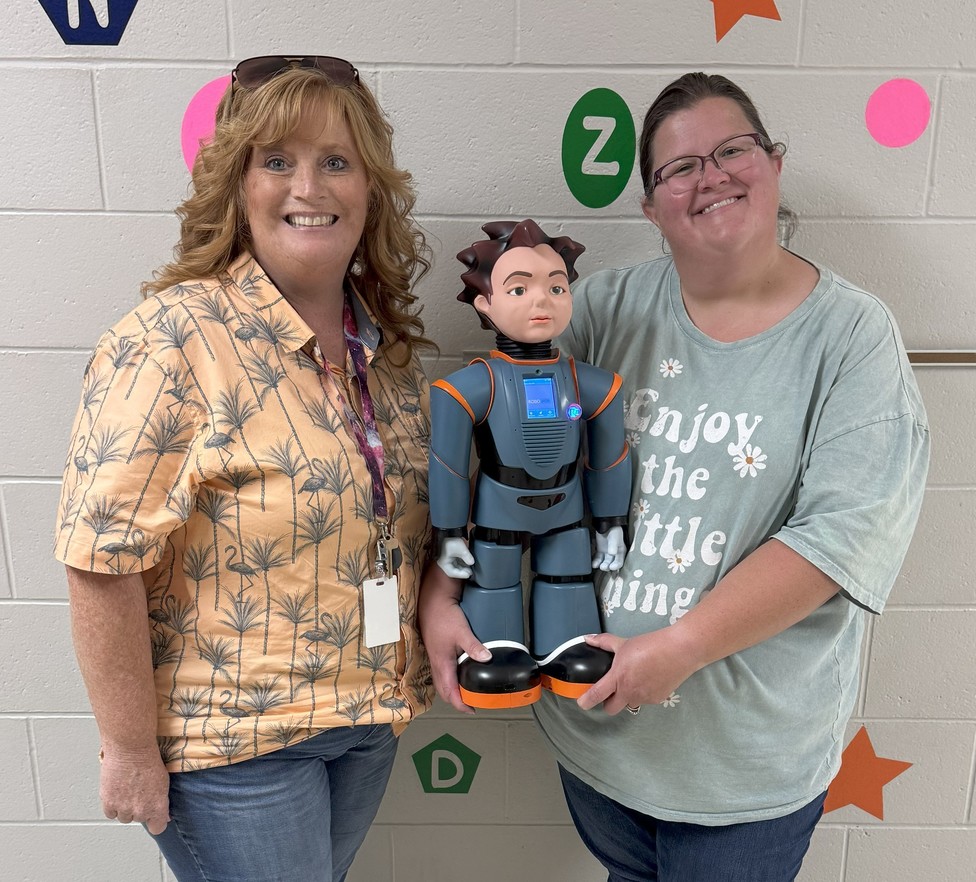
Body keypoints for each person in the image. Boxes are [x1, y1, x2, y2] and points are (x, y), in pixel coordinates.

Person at [420, 73, 930, 881]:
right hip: (598, 740)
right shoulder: (605, 309)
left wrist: (682, 647)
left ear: (775, 164)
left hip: (743, 770)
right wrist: (440, 595)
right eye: (679, 168)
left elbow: (842, 539)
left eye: (734, 150)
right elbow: (488, 440)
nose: (713, 175)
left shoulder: (852, 338)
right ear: (651, 209)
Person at [55, 55, 436, 882]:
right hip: (236, 747)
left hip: (367, 722)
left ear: (370, 189)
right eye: (277, 161)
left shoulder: (390, 356)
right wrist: (126, 747)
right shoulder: (171, 339)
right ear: (236, 184)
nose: (311, 186)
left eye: (337, 161)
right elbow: (100, 558)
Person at [429, 220, 630, 708]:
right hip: (498, 510)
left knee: (568, 578)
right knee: (492, 581)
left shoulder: (594, 386)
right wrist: (450, 533)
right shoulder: (468, 388)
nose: (541, 301)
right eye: (519, 288)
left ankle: (567, 642)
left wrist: (610, 522)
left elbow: (610, 459)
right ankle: (496, 648)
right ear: (485, 303)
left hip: (568, 512)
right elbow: (448, 465)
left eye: (556, 286)